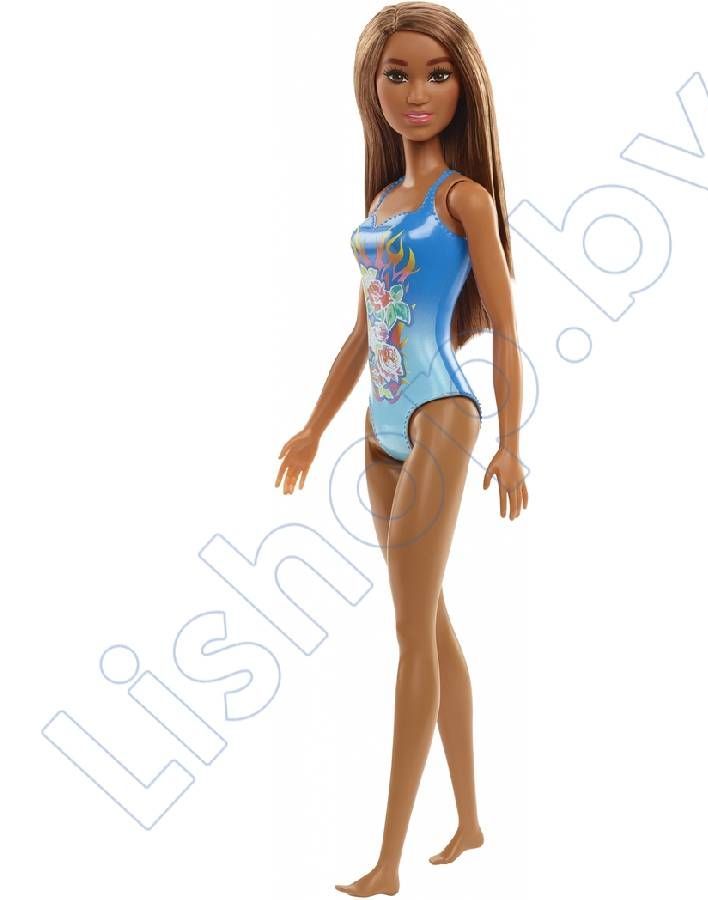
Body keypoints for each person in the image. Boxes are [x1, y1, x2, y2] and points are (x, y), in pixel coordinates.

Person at [274, 3, 528, 895]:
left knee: (409, 632)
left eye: (437, 74)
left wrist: (513, 445)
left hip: (440, 414)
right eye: (397, 74)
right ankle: (469, 821)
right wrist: (313, 425)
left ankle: (387, 861)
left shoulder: (465, 200)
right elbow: (362, 333)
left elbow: (506, 326)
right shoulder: (384, 201)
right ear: (372, 86)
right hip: (377, 424)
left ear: (464, 87)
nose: (417, 91)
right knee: (430, 622)